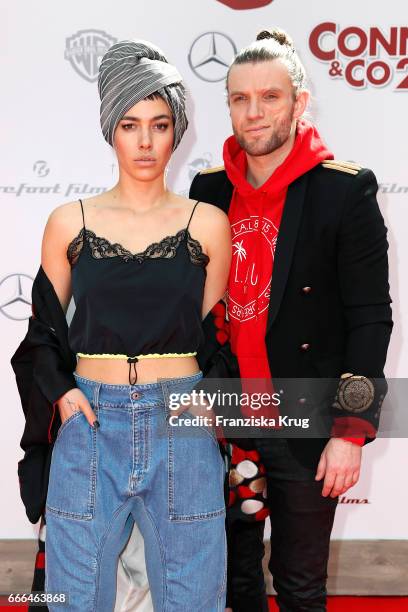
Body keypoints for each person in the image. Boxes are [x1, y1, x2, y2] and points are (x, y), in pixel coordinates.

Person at [13, 39, 232, 612]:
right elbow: (41, 332)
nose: (144, 141)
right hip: (91, 419)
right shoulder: (70, 220)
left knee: (194, 593)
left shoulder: (207, 223)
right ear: (111, 130)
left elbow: (214, 334)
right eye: (130, 124)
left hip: (181, 417)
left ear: (176, 132)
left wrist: (208, 397)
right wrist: (62, 394)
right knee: (71, 594)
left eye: (160, 125)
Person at [189, 28, 393, 611]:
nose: (253, 113)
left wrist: (350, 432)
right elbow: (192, 312)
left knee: (301, 586)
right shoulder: (206, 192)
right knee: (230, 579)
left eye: (269, 97)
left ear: (299, 102)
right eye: (239, 99)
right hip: (224, 424)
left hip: (306, 420)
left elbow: (370, 320)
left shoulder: (343, 191)